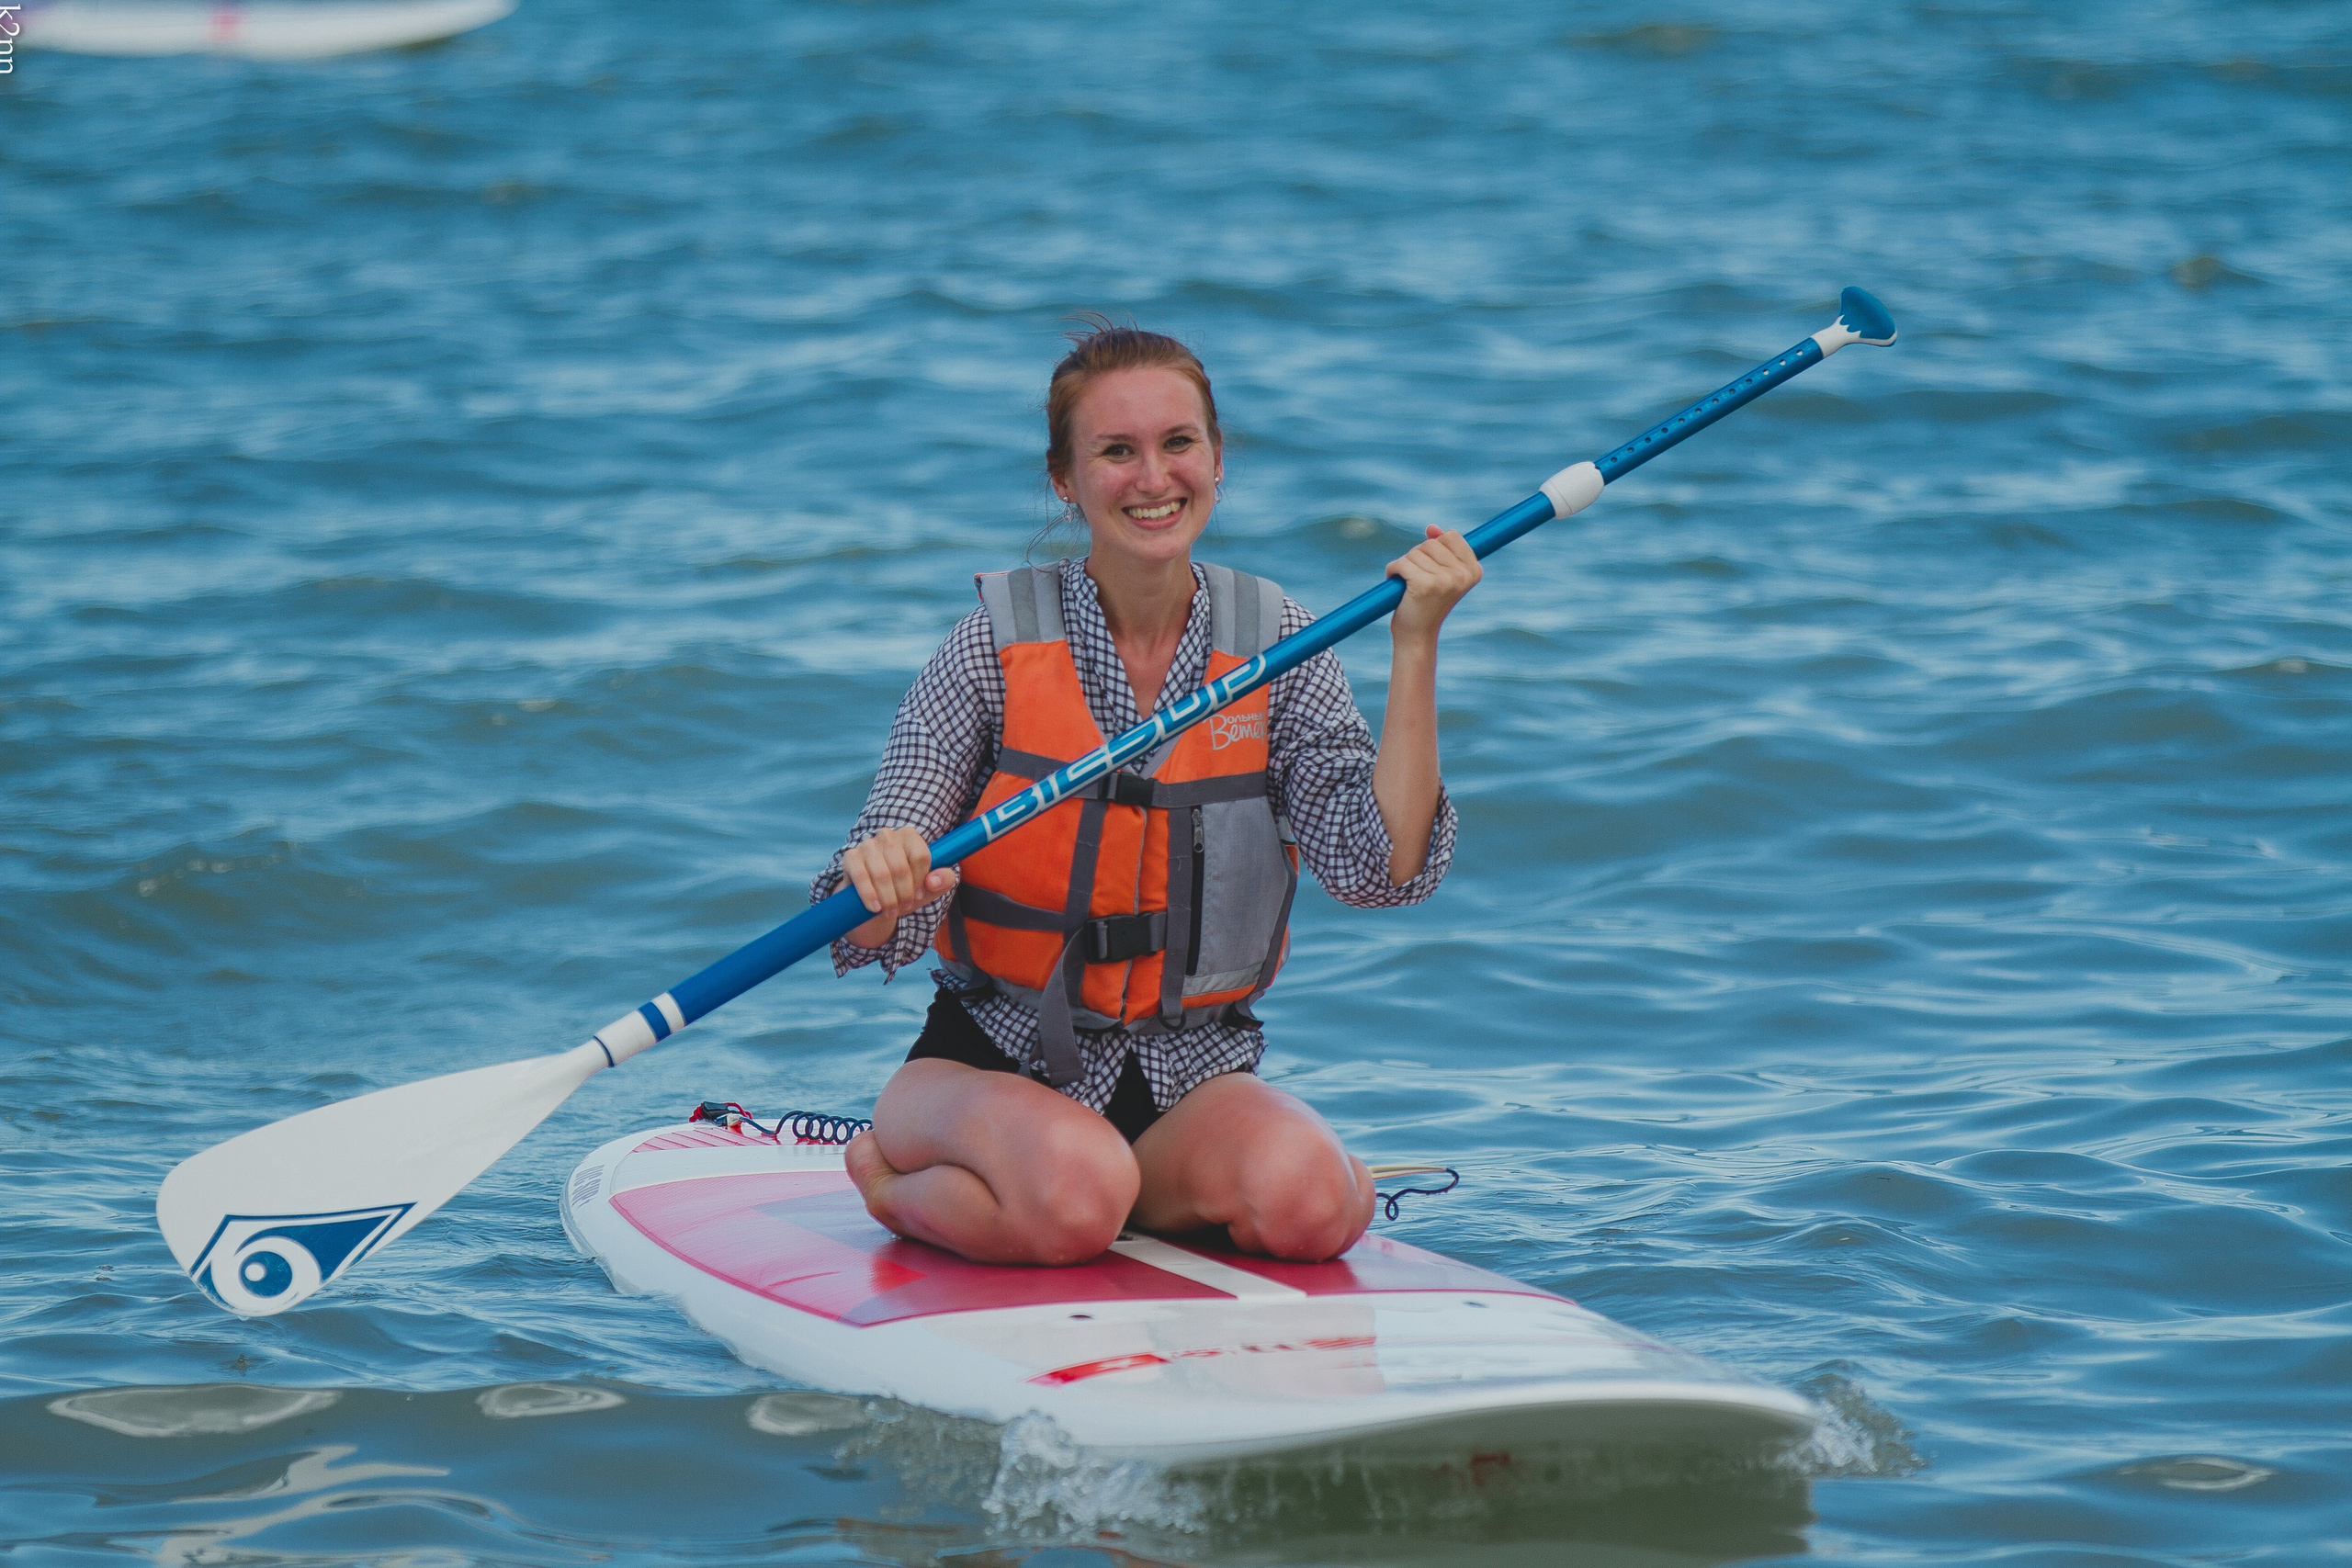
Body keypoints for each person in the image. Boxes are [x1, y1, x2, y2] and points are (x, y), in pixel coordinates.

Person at [816, 322, 1480, 1268]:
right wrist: (884, 882)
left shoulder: (1278, 642)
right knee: (1076, 1194)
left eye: (1177, 443)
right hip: (988, 1061)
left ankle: (1116, 1197)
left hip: (1191, 1078)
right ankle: (889, 1181)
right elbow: (867, 920)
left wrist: (1415, 644)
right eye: (1116, 452)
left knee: (1319, 1204)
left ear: (1217, 459)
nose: (1154, 477)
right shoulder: (987, 648)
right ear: (1065, 479)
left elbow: (1381, 872)